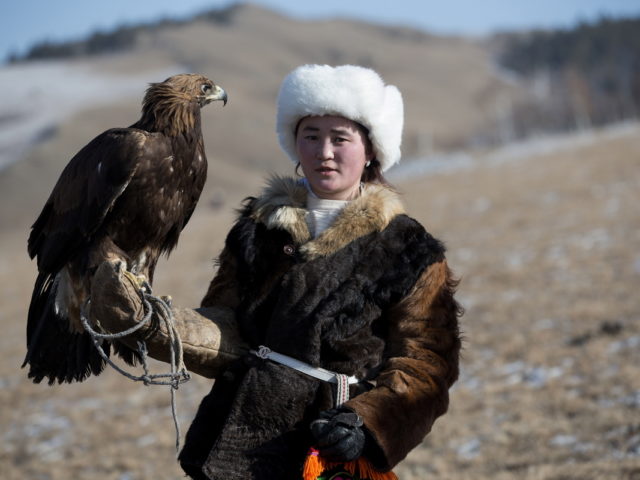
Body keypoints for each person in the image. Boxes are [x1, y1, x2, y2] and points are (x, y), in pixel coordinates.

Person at [91, 64, 462, 480]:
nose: (324, 152)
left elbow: (427, 364)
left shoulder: (407, 248)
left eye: (340, 139)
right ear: (295, 144)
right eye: (311, 137)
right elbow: (225, 324)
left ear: (371, 149)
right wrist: (162, 328)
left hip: (330, 447)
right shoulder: (256, 229)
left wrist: (367, 422)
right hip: (241, 439)